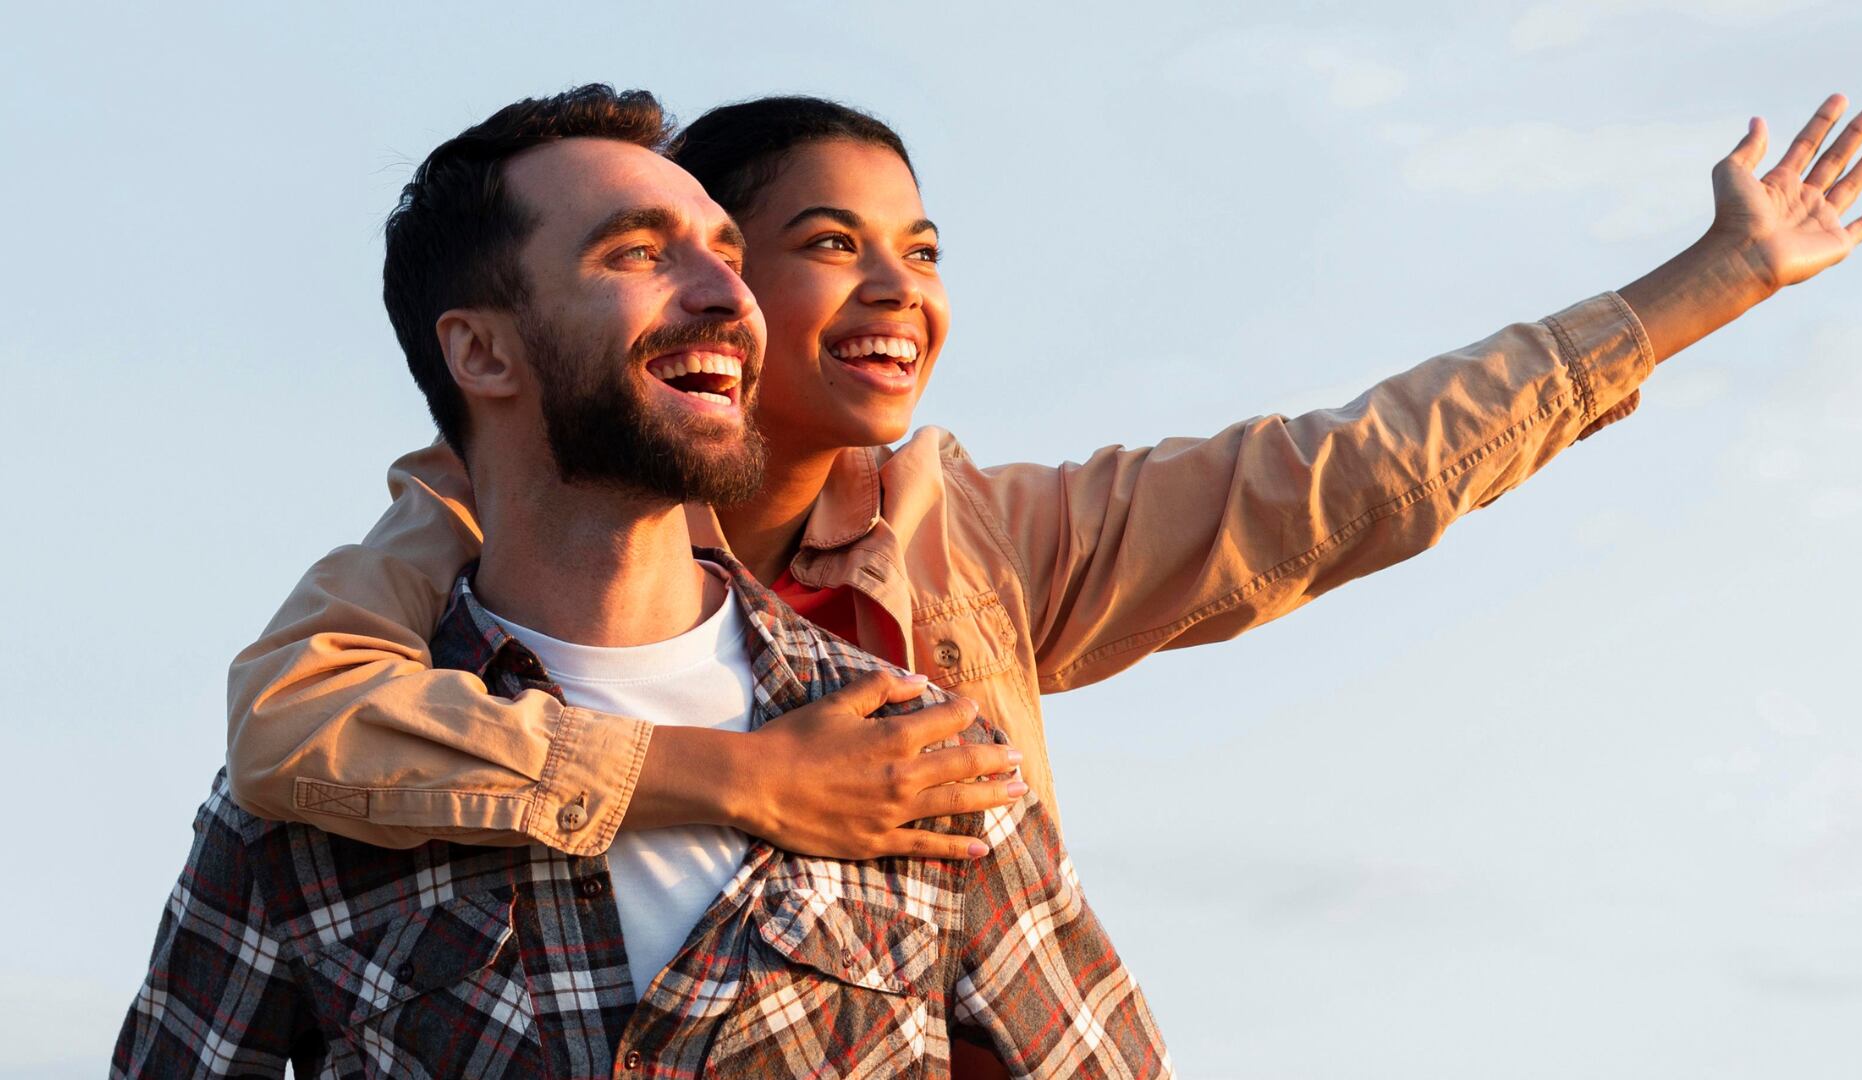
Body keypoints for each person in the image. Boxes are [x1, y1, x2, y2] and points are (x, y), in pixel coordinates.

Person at [222, 89, 1862, 868]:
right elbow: (290, 725)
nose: (899, 292)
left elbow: (1352, 475)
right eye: (826, 245)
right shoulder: (469, 544)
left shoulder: (985, 553)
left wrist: (1711, 284)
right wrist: (739, 782)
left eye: (923, 249)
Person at [114, 86, 1171, 1078]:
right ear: (482, 353)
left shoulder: (918, 752)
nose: (728, 293)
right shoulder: (305, 798)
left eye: (724, 251)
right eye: (635, 255)